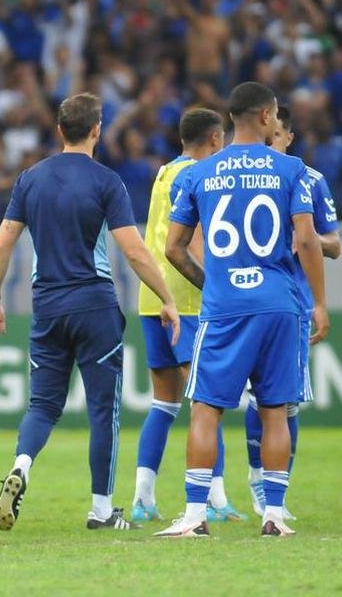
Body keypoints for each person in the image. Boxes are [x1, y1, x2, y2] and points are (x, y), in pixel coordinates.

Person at [0, 93, 180, 532]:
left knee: (42, 405)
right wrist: (166, 297)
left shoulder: (30, 179)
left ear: (58, 131)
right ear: (96, 130)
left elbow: (2, 244)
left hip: (47, 307)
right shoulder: (107, 182)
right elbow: (134, 250)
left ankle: (21, 465)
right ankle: (102, 510)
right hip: (94, 306)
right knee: (102, 408)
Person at [157, 82, 328, 538]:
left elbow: (173, 248)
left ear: (232, 118)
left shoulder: (197, 173)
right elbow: (308, 240)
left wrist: (212, 283)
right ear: (269, 117)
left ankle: (195, 515)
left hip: (225, 306)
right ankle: (274, 514)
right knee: (274, 410)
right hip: (280, 305)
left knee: (206, 409)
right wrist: (321, 303)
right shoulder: (293, 170)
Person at [131, 109, 241, 522]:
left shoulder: (164, 172)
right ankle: (215, 499)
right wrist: (216, 287)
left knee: (164, 403)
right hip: (187, 301)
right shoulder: (199, 176)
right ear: (215, 140)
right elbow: (192, 242)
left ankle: (143, 498)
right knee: (208, 400)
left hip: (152, 297)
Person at [243, 106, 341, 519]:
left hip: (294, 304)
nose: (271, 143)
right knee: (254, 399)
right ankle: (255, 478)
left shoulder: (310, 180)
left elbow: (333, 244)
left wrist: (304, 234)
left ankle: (275, 492)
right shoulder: (245, 181)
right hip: (249, 300)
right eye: (267, 137)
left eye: (277, 136)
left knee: (286, 403)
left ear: (289, 138)